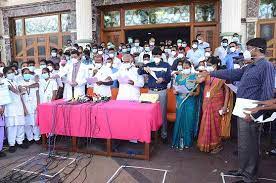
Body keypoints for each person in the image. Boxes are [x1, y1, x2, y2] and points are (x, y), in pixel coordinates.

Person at [199, 38, 274, 183]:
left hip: (252, 110)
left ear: (257, 49)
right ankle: (243, 169)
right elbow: (233, 74)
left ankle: (249, 176)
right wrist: (211, 74)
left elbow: (268, 92)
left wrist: (257, 113)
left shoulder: (266, 66)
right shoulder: (251, 66)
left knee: (251, 144)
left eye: (249, 47)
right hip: (242, 107)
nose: (246, 50)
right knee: (244, 143)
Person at [197, 56, 230, 153]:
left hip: (217, 103)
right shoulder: (207, 74)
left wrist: (225, 106)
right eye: (207, 65)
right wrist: (199, 76)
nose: (207, 66)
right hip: (206, 102)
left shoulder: (222, 75)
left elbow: (227, 92)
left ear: (215, 66)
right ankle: (206, 144)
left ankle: (217, 145)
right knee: (205, 122)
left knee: (216, 124)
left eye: (209, 65)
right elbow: (199, 81)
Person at [138, 47, 171, 143]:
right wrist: (143, 67)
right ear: (152, 56)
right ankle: (151, 134)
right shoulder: (149, 64)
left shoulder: (166, 65)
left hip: (162, 91)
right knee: (150, 114)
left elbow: (169, 78)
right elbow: (139, 72)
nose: (157, 57)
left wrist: (163, 79)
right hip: (151, 91)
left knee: (162, 113)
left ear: (161, 56)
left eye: (158, 56)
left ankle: (164, 135)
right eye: (155, 56)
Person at [172, 61, 200, 149]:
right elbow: (174, 89)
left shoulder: (195, 77)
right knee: (179, 120)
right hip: (180, 101)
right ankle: (177, 141)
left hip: (190, 101)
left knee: (189, 120)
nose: (185, 69)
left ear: (191, 67)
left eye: (187, 67)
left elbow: (198, 92)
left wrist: (193, 93)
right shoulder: (178, 77)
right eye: (184, 67)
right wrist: (175, 91)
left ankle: (187, 142)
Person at [3, 67, 28, 153]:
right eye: (9, 72)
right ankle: (12, 144)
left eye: (12, 72)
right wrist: (19, 92)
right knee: (12, 126)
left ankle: (20, 141)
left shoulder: (15, 81)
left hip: (19, 106)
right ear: (5, 74)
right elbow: (11, 89)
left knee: (20, 124)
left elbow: (19, 91)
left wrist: (24, 107)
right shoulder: (3, 81)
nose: (11, 74)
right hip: (10, 107)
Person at [19, 68, 41, 144]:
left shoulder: (33, 82)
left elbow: (37, 95)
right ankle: (30, 138)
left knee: (35, 122)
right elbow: (20, 97)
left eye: (28, 73)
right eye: (25, 73)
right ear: (22, 75)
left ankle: (37, 137)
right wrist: (24, 108)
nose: (27, 74)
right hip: (26, 105)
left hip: (34, 104)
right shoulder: (20, 83)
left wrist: (38, 105)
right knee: (27, 123)